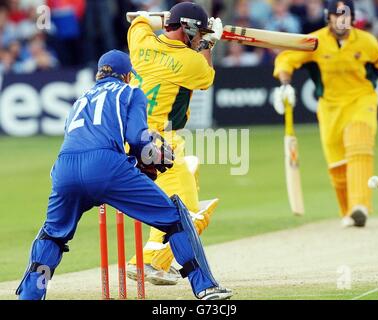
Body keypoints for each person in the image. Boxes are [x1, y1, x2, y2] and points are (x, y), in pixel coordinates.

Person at [15, 49, 232, 300]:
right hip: (106, 166)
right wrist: (154, 156)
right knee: (174, 217)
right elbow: (137, 138)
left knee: (52, 236)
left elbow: (76, 139)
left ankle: (29, 296)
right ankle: (205, 286)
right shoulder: (130, 92)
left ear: (99, 74)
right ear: (128, 75)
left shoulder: (80, 99)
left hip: (64, 169)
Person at [126, 2, 223, 285]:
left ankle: (155, 254)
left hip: (129, 135)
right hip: (155, 141)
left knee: (186, 177)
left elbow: (140, 20)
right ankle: (148, 261)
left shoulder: (139, 40)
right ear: (189, 29)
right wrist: (208, 43)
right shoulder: (190, 61)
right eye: (197, 32)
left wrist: (159, 20)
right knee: (191, 212)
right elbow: (206, 78)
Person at [273, 0, 378, 227]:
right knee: (337, 166)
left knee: (359, 144)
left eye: (346, 16)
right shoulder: (315, 41)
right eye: (337, 16)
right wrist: (285, 82)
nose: (341, 21)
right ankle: (349, 213)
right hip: (329, 108)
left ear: (353, 19)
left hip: (361, 100)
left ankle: (360, 206)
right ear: (328, 17)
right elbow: (286, 58)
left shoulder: (366, 42)